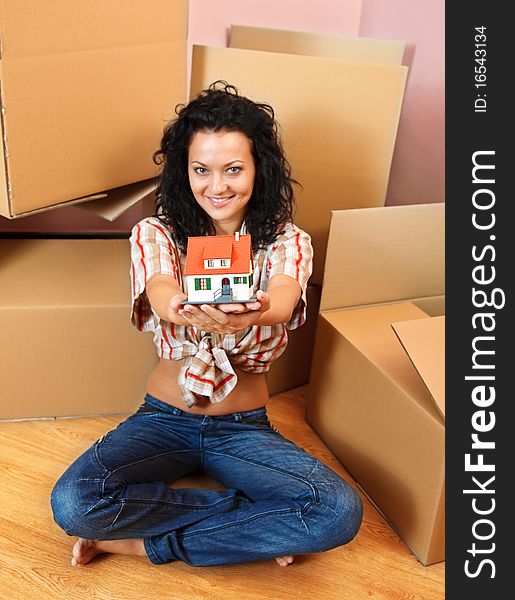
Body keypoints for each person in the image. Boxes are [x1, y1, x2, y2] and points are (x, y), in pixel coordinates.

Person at [50, 81, 363, 568]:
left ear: (260, 168)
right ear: (184, 171)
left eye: (233, 169)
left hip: (244, 431)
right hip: (162, 420)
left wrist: (254, 309)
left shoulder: (287, 240)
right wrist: (177, 305)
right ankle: (253, 524)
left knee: (338, 513)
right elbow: (158, 286)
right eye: (201, 170)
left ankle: (146, 544)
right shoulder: (156, 232)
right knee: (74, 504)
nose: (216, 187)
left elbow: (282, 299)